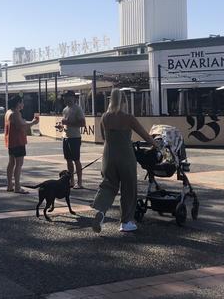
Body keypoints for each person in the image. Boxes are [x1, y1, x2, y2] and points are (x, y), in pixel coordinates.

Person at [91, 88, 158, 233]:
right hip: (126, 156)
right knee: (128, 188)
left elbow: (104, 138)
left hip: (108, 156)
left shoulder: (105, 117)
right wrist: (156, 145)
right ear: (124, 101)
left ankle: (101, 212)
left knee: (108, 185)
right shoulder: (129, 118)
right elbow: (145, 136)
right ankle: (126, 222)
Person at [4, 96, 39, 194]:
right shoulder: (16, 113)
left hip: (11, 141)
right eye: (22, 102)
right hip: (18, 141)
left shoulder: (8, 112)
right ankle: (17, 187)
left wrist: (28, 122)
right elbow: (21, 127)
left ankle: (10, 185)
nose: (23, 104)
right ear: (18, 103)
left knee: (11, 163)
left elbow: (19, 123)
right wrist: (33, 123)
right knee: (18, 164)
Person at [59, 91, 86, 189]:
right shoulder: (65, 109)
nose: (66, 99)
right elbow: (65, 123)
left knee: (76, 160)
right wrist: (61, 126)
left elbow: (83, 123)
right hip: (66, 137)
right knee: (68, 160)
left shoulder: (77, 109)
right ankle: (71, 181)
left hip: (74, 138)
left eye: (68, 97)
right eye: (65, 97)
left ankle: (80, 182)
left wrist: (68, 123)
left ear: (73, 98)